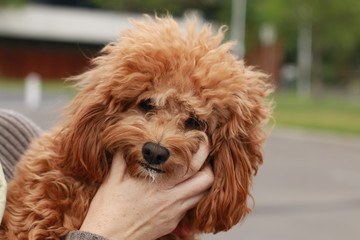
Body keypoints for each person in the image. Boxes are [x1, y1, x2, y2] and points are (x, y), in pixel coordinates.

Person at [0, 109, 214, 240]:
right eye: (146, 106)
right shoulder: (49, 179)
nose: (158, 144)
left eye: (193, 123)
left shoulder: (11, 133)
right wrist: (105, 234)